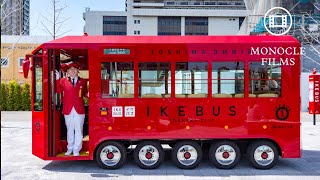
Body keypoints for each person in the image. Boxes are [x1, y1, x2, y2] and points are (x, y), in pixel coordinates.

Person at [55, 62, 88, 156]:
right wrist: (57, 79)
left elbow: (85, 93)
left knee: (79, 130)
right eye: (70, 69)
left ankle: (77, 149)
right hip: (68, 109)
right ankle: (70, 148)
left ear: (78, 71)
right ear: (68, 71)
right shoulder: (63, 81)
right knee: (69, 130)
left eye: (75, 69)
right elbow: (57, 90)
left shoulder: (83, 81)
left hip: (79, 109)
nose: (73, 71)